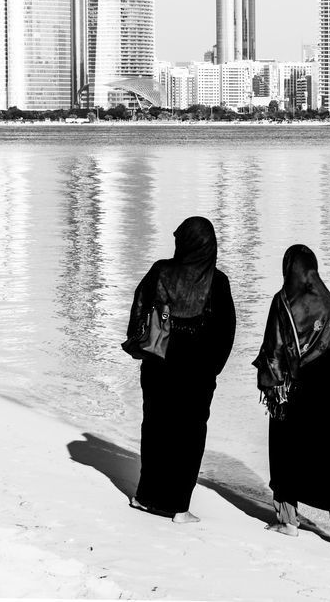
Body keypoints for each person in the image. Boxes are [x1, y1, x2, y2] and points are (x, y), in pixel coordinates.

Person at [126, 216, 236, 523]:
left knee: (156, 428)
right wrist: (212, 369)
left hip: (158, 365)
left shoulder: (160, 271)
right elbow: (226, 333)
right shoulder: (218, 282)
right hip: (196, 373)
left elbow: (138, 314)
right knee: (188, 435)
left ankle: (146, 497)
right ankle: (177, 506)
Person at [253, 244, 330, 547]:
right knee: (328, 454)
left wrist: (271, 386)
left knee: (284, 451)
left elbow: (273, 352)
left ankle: (288, 520)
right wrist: (329, 397)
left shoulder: (282, 302)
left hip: (290, 394)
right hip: (324, 397)